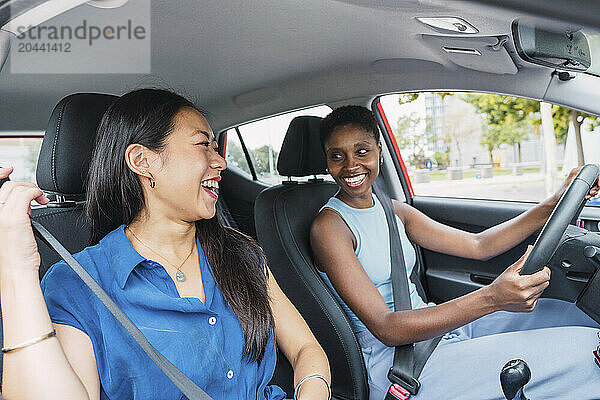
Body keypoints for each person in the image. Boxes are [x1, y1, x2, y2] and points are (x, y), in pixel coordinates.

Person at [0, 89, 331, 400]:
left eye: (216, 148)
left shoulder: (240, 253)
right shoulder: (77, 284)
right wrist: (16, 271)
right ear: (143, 161)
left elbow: (306, 349)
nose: (221, 162)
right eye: (203, 145)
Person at [310, 105, 600, 399]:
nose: (350, 165)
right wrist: (493, 297)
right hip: (398, 364)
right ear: (326, 160)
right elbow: (387, 328)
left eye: (361, 151)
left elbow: (479, 245)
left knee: (576, 315)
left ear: (379, 150)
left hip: (434, 331)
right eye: (337, 155)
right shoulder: (329, 227)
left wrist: (553, 202)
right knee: (588, 352)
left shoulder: (393, 210)